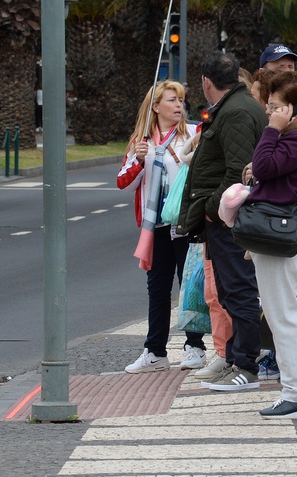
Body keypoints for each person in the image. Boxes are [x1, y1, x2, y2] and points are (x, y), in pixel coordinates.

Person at [180, 52, 268, 392]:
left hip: (230, 218)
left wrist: (212, 208)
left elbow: (238, 172)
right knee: (231, 292)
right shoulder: (235, 107)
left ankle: (245, 365)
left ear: (205, 82)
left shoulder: (235, 113)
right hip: (226, 217)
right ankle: (234, 359)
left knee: (239, 291)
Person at [245, 71, 297, 419]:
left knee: (282, 318)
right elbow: (266, 169)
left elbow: (264, 165)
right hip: (288, 237)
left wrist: (272, 131)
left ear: (295, 109)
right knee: (287, 314)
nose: (269, 111)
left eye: (275, 106)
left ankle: (296, 394)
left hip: (280, 239)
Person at [117, 81, 206, 374]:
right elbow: (124, 184)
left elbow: (200, 172)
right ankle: (155, 351)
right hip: (155, 225)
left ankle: (195, 347)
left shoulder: (193, 134)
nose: (179, 106)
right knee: (157, 288)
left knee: (190, 285)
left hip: (186, 222)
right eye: (171, 100)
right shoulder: (141, 141)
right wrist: (140, 160)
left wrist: (179, 158)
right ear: (156, 107)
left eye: (181, 100)